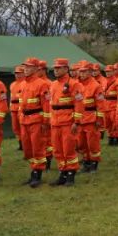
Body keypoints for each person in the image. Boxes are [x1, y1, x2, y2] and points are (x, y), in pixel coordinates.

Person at [46, 58, 80, 186]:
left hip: (68, 122)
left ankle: (71, 175)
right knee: (58, 151)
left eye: (58, 68)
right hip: (55, 123)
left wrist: (76, 121)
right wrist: (50, 120)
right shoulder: (53, 84)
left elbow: (79, 103)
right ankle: (62, 173)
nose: (56, 70)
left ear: (66, 69)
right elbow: (51, 104)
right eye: (55, 68)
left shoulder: (74, 84)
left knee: (68, 149)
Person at [19, 58, 49, 188]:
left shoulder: (42, 84)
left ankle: (37, 175)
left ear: (36, 69)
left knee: (37, 148)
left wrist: (45, 122)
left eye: (29, 67)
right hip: (25, 121)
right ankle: (33, 170)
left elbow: (46, 105)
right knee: (27, 149)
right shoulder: (23, 84)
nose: (25, 69)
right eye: (25, 66)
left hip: (37, 120)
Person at [9, 65, 26, 151]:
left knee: (22, 127)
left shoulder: (25, 84)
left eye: (19, 73)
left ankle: (24, 144)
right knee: (15, 128)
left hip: (21, 108)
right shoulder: (12, 85)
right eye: (16, 73)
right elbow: (11, 97)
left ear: (24, 73)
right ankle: (20, 144)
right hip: (13, 109)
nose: (17, 75)